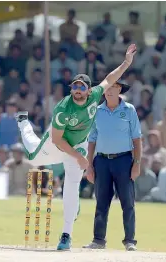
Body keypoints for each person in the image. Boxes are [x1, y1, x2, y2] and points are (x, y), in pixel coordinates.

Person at [15, 44, 137, 250]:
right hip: (57, 142)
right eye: (74, 87)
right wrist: (79, 158)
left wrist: (126, 62)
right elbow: (57, 140)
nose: (77, 91)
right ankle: (23, 123)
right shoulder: (63, 107)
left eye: (82, 87)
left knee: (72, 184)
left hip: (78, 144)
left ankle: (66, 235)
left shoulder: (96, 95)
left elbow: (110, 78)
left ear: (89, 90)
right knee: (34, 157)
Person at [83, 80, 142, 251]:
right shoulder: (97, 111)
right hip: (101, 161)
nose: (109, 91)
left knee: (127, 202)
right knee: (101, 202)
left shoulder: (129, 110)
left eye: (113, 88)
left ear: (119, 90)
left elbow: (137, 140)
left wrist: (136, 164)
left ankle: (130, 240)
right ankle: (98, 240)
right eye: (107, 88)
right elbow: (92, 139)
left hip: (124, 160)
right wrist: (89, 165)